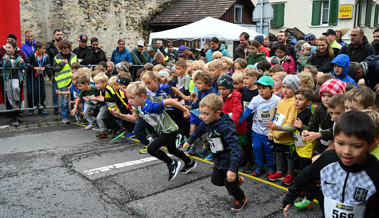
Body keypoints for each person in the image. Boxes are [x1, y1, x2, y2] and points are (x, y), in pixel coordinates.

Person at [283, 111, 379, 218]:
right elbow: (304, 176)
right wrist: (290, 198)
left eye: (356, 146)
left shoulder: (374, 171)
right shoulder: (328, 159)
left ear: (371, 145)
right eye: (340, 143)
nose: (346, 151)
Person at [183, 94, 247, 211]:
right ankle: (237, 180)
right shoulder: (207, 122)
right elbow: (199, 130)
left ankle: (241, 197)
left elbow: (236, 148)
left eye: (206, 114)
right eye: (201, 113)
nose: (202, 117)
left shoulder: (226, 126)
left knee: (229, 184)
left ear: (217, 113)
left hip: (229, 158)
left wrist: (232, 169)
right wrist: (189, 140)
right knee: (216, 181)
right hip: (218, 156)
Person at [122, 81, 196, 181]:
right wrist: (119, 115)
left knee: (151, 149)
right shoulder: (138, 107)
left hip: (170, 131)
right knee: (172, 150)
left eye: (132, 98)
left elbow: (170, 101)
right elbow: (134, 118)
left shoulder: (151, 106)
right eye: (128, 98)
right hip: (163, 131)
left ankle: (172, 163)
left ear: (142, 96)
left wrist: (184, 110)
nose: (129, 101)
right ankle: (189, 162)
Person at [239, 76, 281, 176]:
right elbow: (247, 112)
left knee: (268, 149)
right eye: (259, 88)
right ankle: (259, 166)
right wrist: (238, 122)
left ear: (271, 89)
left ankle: (270, 166)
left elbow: (279, 114)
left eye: (264, 88)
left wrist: (275, 125)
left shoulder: (277, 100)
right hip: (256, 130)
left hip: (268, 131)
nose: (261, 91)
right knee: (257, 148)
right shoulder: (256, 99)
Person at [267, 75, 300, 186]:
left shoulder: (294, 103)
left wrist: (278, 132)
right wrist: (272, 132)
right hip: (277, 136)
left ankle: (290, 174)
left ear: (294, 89)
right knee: (278, 154)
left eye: (289, 87)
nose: (285, 90)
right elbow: (277, 119)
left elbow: (290, 122)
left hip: (287, 138)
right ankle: (280, 172)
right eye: (284, 87)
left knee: (289, 156)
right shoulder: (281, 102)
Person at [301, 79, 346, 154]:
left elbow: (337, 131)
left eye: (330, 96)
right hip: (320, 146)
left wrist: (320, 134)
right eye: (323, 95)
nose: (326, 99)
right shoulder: (319, 108)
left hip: (336, 148)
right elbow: (313, 125)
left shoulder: (343, 111)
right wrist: (306, 131)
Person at [1, 40, 26, 126]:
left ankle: (16, 103)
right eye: (6, 47)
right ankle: (14, 117)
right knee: (9, 93)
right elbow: (5, 67)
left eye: (9, 48)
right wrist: (7, 61)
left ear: (14, 49)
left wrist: (22, 63)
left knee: (15, 88)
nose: (7, 49)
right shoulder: (5, 57)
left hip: (15, 77)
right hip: (7, 78)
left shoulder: (18, 57)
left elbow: (23, 67)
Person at [52, 39, 78, 124]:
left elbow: (76, 67)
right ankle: (64, 116)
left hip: (73, 80)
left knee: (75, 98)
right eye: (64, 48)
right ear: (61, 48)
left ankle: (75, 115)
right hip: (63, 82)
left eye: (68, 48)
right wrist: (62, 63)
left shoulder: (73, 56)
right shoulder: (57, 57)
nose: (66, 50)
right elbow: (55, 69)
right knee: (64, 100)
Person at [25, 41, 51, 116]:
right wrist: (34, 67)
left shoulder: (46, 56)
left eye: (45, 49)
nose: (44, 50)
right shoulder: (32, 55)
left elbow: (49, 64)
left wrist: (44, 67)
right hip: (32, 76)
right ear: (38, 49)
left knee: (41, 92)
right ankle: (31, 108)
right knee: (32, 92)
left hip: (41, 76)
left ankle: (41, 108)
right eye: (43, 49)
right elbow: (26, 63)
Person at [46, 29, 63, 115]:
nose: (59, 36)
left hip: (64, 72)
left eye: (61, 34)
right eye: (58, 34)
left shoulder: (64, 45)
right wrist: (50, 74)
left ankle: (64, 107)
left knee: (65, 91)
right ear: (54, 35)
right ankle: (56, 107)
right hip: (55, 72)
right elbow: (47, 61)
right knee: (55, 91)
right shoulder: (49, 46)